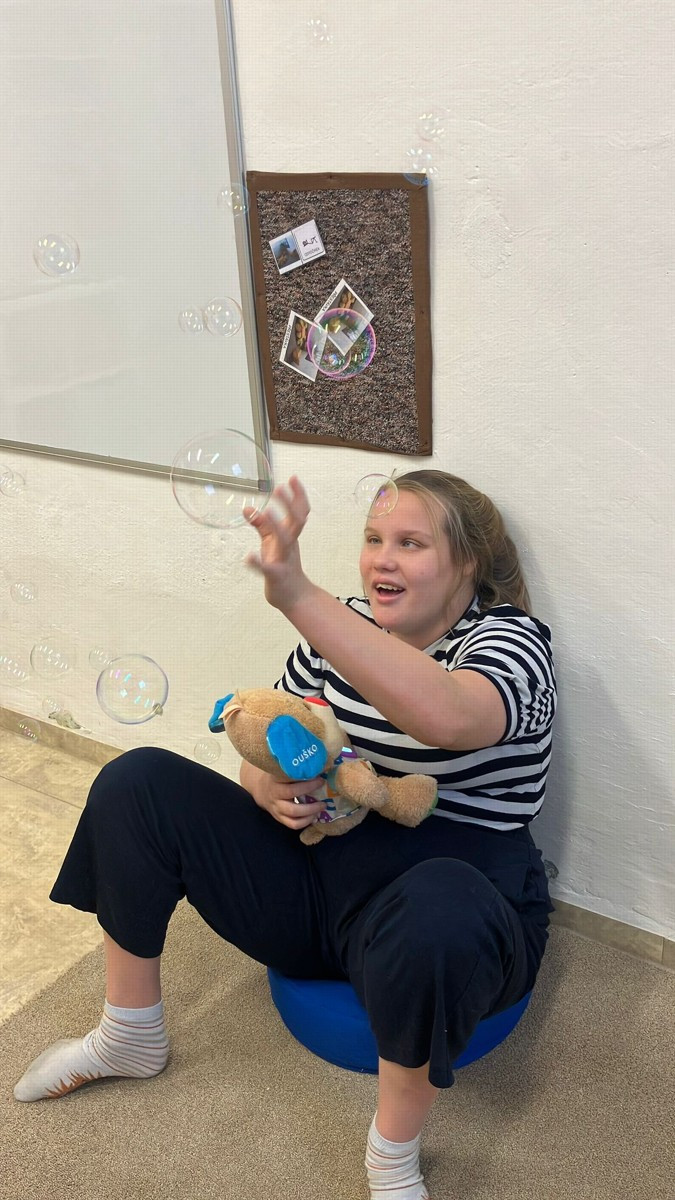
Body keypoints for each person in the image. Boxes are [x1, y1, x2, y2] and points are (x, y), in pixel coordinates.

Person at [13, 469, 557, 1200]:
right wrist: (268, 789)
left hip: (461, 906)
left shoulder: (511, 642)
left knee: (440, 906)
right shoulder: (343, 627)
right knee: (136, 782)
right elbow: (270, 744)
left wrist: (300, 597)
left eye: (410, 543)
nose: (382, 559)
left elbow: (450, 717)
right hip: (322, 878)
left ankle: (391, 1159)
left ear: (467, 563)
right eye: (373, 539)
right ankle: (129, 1033)